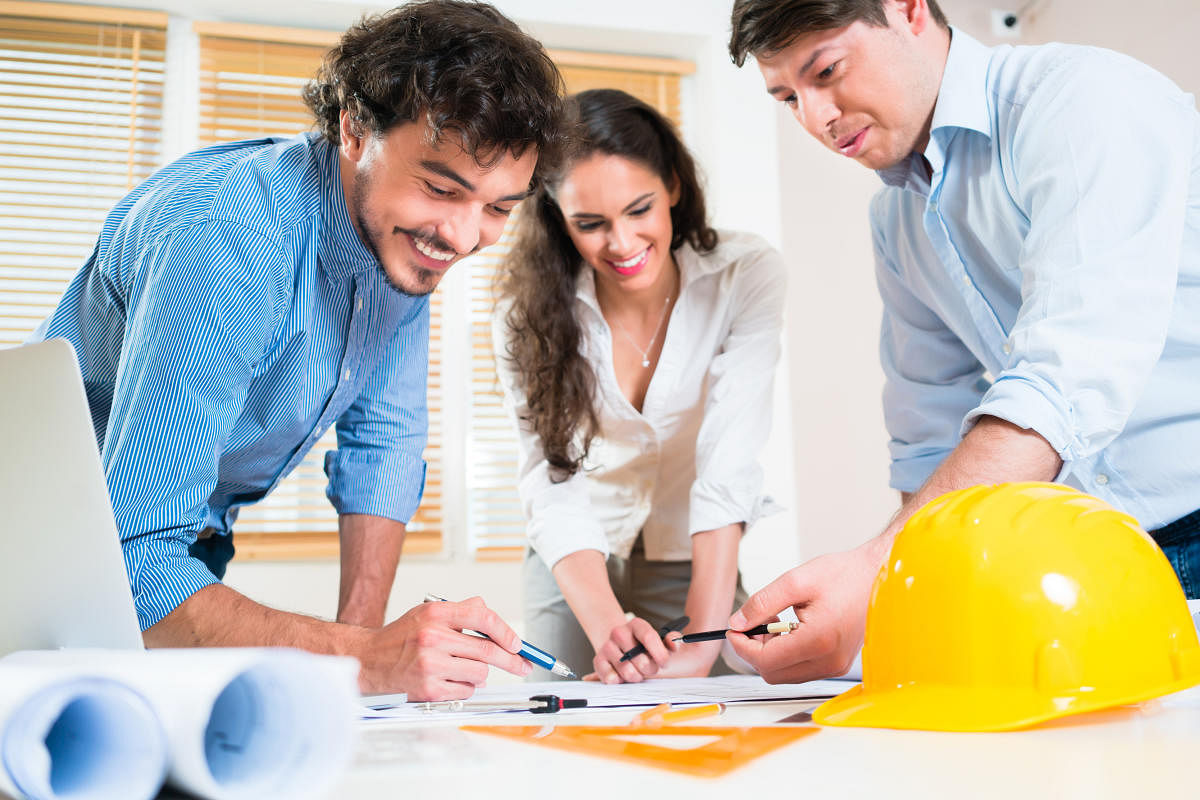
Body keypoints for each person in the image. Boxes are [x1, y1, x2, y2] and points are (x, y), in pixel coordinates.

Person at [32, 0, 564, 700]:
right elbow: (134, 565)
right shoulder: (228, 239)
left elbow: (383, 448)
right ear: (354, 127)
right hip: (42, 553)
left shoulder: (401, 242)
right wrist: (363, 657)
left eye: (499, 208)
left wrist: (365, 672)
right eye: (442, 188)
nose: (464, 238)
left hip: (175, 546)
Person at [723, 0, 1200, 684]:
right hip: (1098, 556)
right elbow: (930, 435)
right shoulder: (897, 215)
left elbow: (1067, 376)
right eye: (787, 97)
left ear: (909, 9)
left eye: (826, 71)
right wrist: (889, 594)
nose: (815, 119)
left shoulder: (1082, 102)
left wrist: (876, 569)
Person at [494, 89, 787, 684]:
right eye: (591, 224)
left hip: (691, 550)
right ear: (558, 219)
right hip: (576, 554)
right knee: (571, 731)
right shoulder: (524, 313)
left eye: (639, 209)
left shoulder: (745, 275)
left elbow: (727, 460)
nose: (622, 244)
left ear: (673, 186)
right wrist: (609, 633)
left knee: (727, 724)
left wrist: (704, 644)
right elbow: (551, 479)